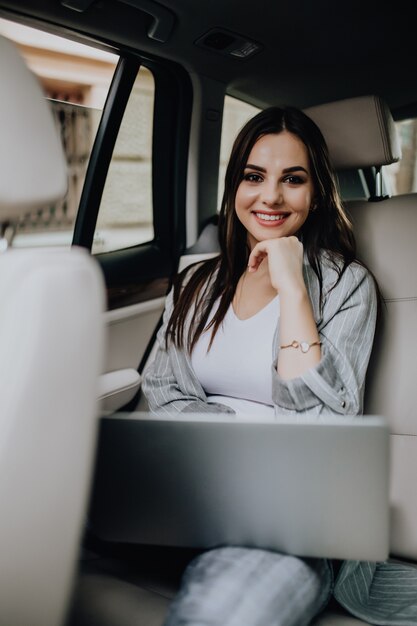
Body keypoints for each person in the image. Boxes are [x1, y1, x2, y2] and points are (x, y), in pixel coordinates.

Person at [142, 107, 417, 625]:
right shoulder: (192, 284)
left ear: (315, 195)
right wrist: (234, 454)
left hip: (292, 524)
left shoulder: (346, 286)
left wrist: (293, 289)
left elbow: (322, 430)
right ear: (234, 187)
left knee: (225, 612)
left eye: (293, 179)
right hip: (190, 500)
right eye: (253, 176)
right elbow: (164, 393)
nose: (270, 196)